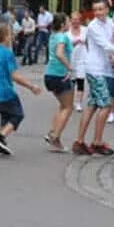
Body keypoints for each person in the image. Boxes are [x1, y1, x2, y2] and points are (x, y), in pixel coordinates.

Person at [72, 0, 114, 156]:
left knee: (93, 104)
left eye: (101, 9)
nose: (98, 13)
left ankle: (80, 141)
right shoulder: (93, 26)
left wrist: (111, 57)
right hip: (96, 69)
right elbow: (106, 45)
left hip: (103, 67)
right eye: (95, 10)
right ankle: (97, 142)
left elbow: (108, 44)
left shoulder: (109, 23)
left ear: (107, 9)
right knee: (106, 105)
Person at [0, 18, 41, 156]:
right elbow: (14, 76)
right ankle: (0, 137)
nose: (12, 36)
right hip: (6, 91)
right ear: (6, 37)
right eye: (11, 34)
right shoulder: (7, 53)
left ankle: (1, 143)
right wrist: (31, 86)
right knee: (17, 115)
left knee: (5, 115)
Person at [42, 13, 75, 152]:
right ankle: (55, 137)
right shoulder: (62, 37)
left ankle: (52, 132)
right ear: (62, 24)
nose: (70, 24)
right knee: (68, 107)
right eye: (68, 21)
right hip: (59, 74)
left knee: (62, 106)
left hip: (49, 74)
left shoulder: (53, 36)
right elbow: (60, 54)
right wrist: (69, 67)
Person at [69, 14, 87, 112]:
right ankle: (70, 102)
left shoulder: (85, 30)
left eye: (77, 19)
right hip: (71, 60)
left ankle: (78, 103)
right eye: (73, 19)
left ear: (80, 20)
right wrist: (75, 42)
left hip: (82, 59)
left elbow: (90, 42)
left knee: (80, 80)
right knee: (71, 82)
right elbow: (65, 45)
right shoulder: (67, 33)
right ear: (71, 20)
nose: (75, 21)